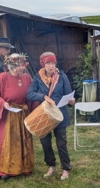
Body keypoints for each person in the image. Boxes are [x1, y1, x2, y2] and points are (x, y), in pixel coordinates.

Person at [0, 56, 35, 180]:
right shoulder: (2, 77)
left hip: (21, 113)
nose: (23, 68)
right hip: (7, 115)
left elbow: (30, 95)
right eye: (20, 66)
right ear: (12, 66)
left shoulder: (27, 78)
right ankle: (3, 169)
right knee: (5, 141)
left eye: (23, 65)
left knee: (21, 140)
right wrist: (3, 103)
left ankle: (22, 166)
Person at [27, 52, 75, 180]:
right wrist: (43, 96)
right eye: (48, 63)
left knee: (61, 143)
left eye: (53, 63)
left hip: (60, 115)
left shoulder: (62, 77)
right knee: (45, 142)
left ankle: (65, 168)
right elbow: (30, 94)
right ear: (43, 64)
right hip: (45, 115)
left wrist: (72, 101)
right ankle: (51, 165)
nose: (51, 66)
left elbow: (69, 95)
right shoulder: (38, 78)